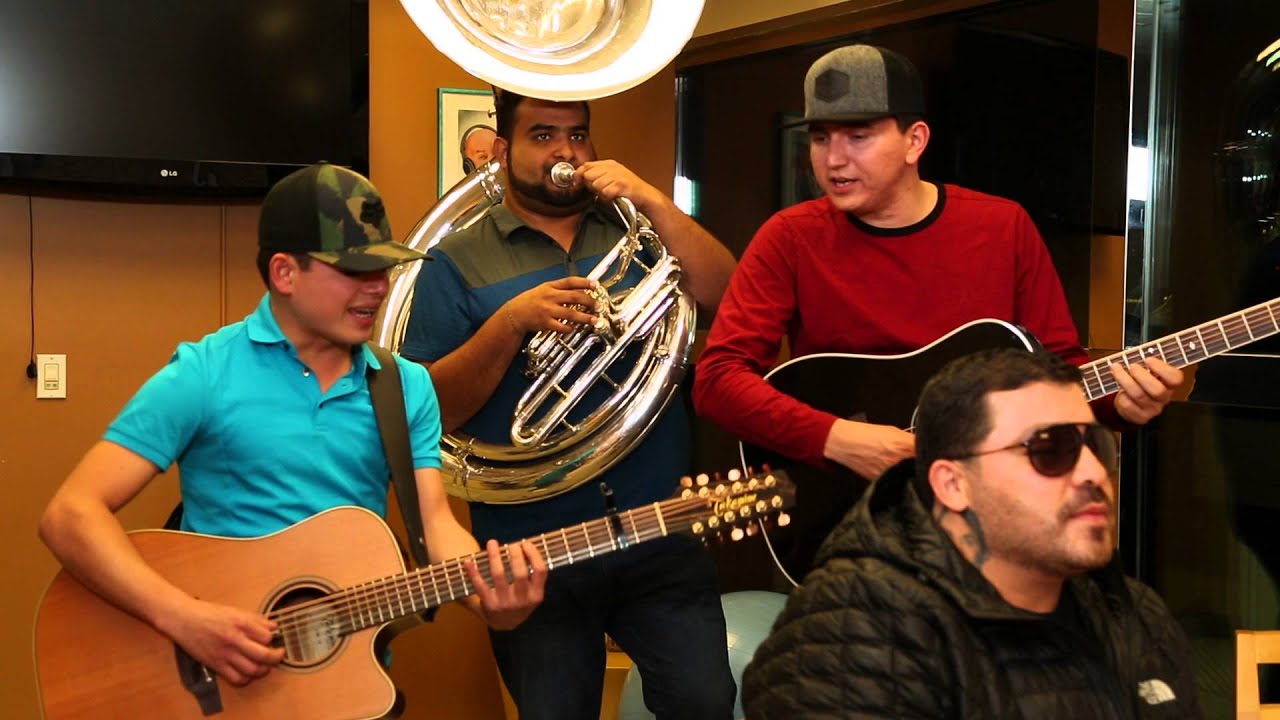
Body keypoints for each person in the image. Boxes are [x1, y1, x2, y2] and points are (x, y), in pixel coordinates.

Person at [38, 162, 547, 688]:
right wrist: (185, 620)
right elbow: (70, 515)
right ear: (285, 273)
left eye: (384, 268)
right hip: (215, 685)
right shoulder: (205, 372)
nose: (378, 287)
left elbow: (437, 527)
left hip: (347, 681)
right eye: (355, 270)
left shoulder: (405, 387)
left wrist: (496, 600)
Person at [693, 44, 1184, 488]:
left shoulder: (1002, 226)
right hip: (849, 513)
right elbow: (718, 379)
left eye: (858, 136)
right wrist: (838, 439)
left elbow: (1058, 372)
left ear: (915, 141)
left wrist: (1120, 406)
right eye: (821, 139)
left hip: (984, 503)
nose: (833, 160)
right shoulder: (790, 236)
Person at [400, 89, 739, 719]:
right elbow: (431, 410)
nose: (565, 151)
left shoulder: (639, 231)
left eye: (578, 135)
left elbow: (732, 298)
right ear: (503, 150)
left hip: (658, 527)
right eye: (543, 135)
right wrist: (509, 325)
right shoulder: (452, 262)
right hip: (534, 550)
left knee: (707, 703)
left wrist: (655, 200)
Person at [742, 348, 1204, 718]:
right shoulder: (855, 629)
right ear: (953, 484)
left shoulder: (1133, 611)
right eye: (1049, 450)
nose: (1092, 474)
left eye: (1095, 445)